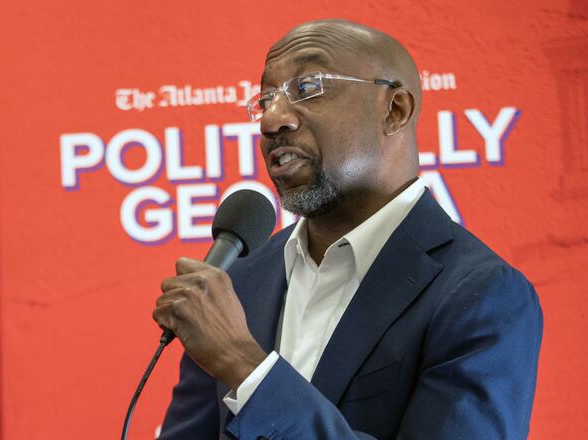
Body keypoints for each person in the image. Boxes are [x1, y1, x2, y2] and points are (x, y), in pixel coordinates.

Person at [152, 19, 542, 440]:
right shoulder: (239, 283)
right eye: (266, 100)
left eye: (307, 88)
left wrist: (244, 366)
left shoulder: (481, 293)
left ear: (395, 110)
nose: (271, 121)